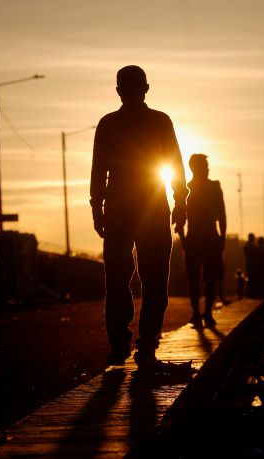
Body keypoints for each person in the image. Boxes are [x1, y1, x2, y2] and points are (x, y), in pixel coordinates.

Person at [90, 65, 188, 372]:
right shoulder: (155, 121)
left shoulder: (116, 123)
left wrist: (98, 207)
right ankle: (135, 345)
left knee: (136, 279)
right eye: (128, 88)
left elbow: (99, 171)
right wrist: (180, 201)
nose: (131, 92)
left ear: (143, 89)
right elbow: (173, 162)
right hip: (141, 206)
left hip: (133, 207)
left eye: (133, 87)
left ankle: (132, 344)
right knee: (142, 279)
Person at [181, 153, 226, 328]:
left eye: (207, 167)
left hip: (210, 236)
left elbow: (222, 214)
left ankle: (207, 312)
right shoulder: (185, 188)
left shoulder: (215, 186)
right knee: (193, 277)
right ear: (194, 168)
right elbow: (180, 216)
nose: (207, 170)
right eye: (204, 167)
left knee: (211, 277)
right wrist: (183, 238)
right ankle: (196, 313)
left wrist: (222, 237)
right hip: (193, 237)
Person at [242, 233, 259, 297]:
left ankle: (250, 291)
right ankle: (252, 292)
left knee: (250, 277)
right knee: (252, 278)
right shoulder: (252, 246)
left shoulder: (246, 245)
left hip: (249, 263)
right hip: (252, 264)